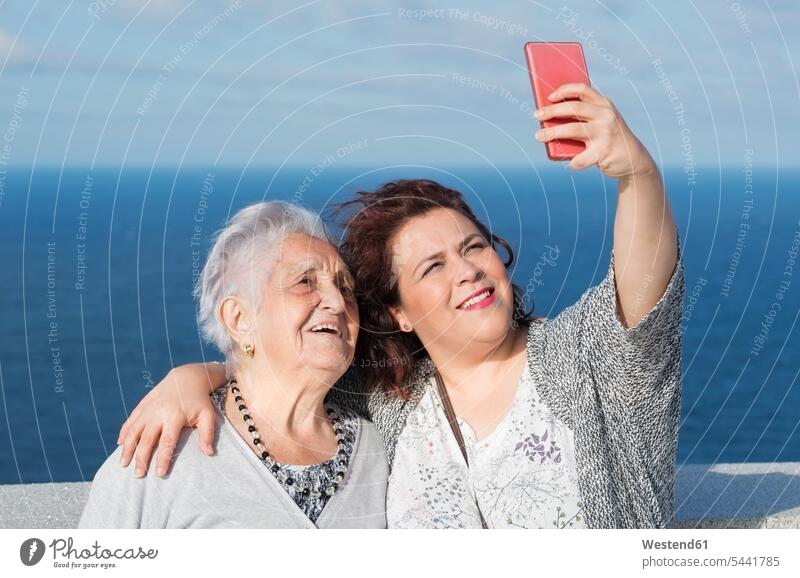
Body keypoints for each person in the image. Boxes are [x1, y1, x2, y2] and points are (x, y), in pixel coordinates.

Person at [115, 83, 685, 528]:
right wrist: (194, 377)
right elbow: (286, 369)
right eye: (432, 267)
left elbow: (642, 283)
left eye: (474, 247)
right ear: (399, 313)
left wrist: (637, 172)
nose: (467, 271)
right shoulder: (394, 403)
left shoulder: (585, 359)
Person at [79, 202, 388, 528]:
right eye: (305, 281)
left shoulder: (377, 452)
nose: (338, 303)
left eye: (345, 288)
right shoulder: (163, 453)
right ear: (239, 320)